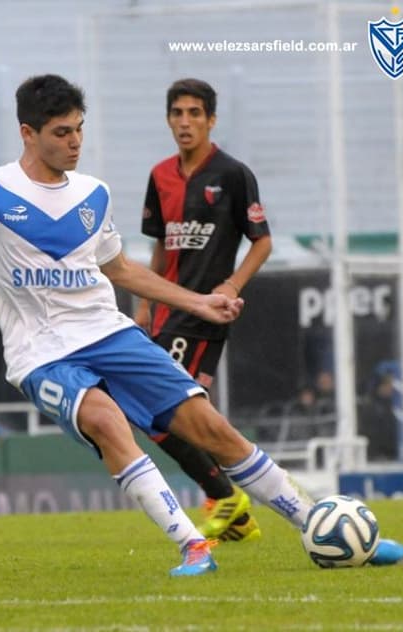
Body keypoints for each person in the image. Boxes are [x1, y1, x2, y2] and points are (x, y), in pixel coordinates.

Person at [0, 74, 403, 574]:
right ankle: (192, 544)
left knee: (211, 427)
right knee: (103, 417)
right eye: (61, 133)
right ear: (28, 133)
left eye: (79, 130)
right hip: (43, 353)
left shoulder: (93, 194)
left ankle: (321, 529)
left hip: (111, 334)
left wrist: (198, 303)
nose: (74, 142)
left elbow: (119, 268)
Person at [133, 78, 271, 543]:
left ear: (211, 120)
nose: (185, 122)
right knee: (177, 415)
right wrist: (144, 304)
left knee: (159, 412)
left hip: (204, 313)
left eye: (195, 113)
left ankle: (222, 495)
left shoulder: (233, 175)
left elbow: (262, 241)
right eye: (177, 113)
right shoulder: (159, 176)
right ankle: (235, 513)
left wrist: (231, 283)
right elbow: (160, 248)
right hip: (167, 311)